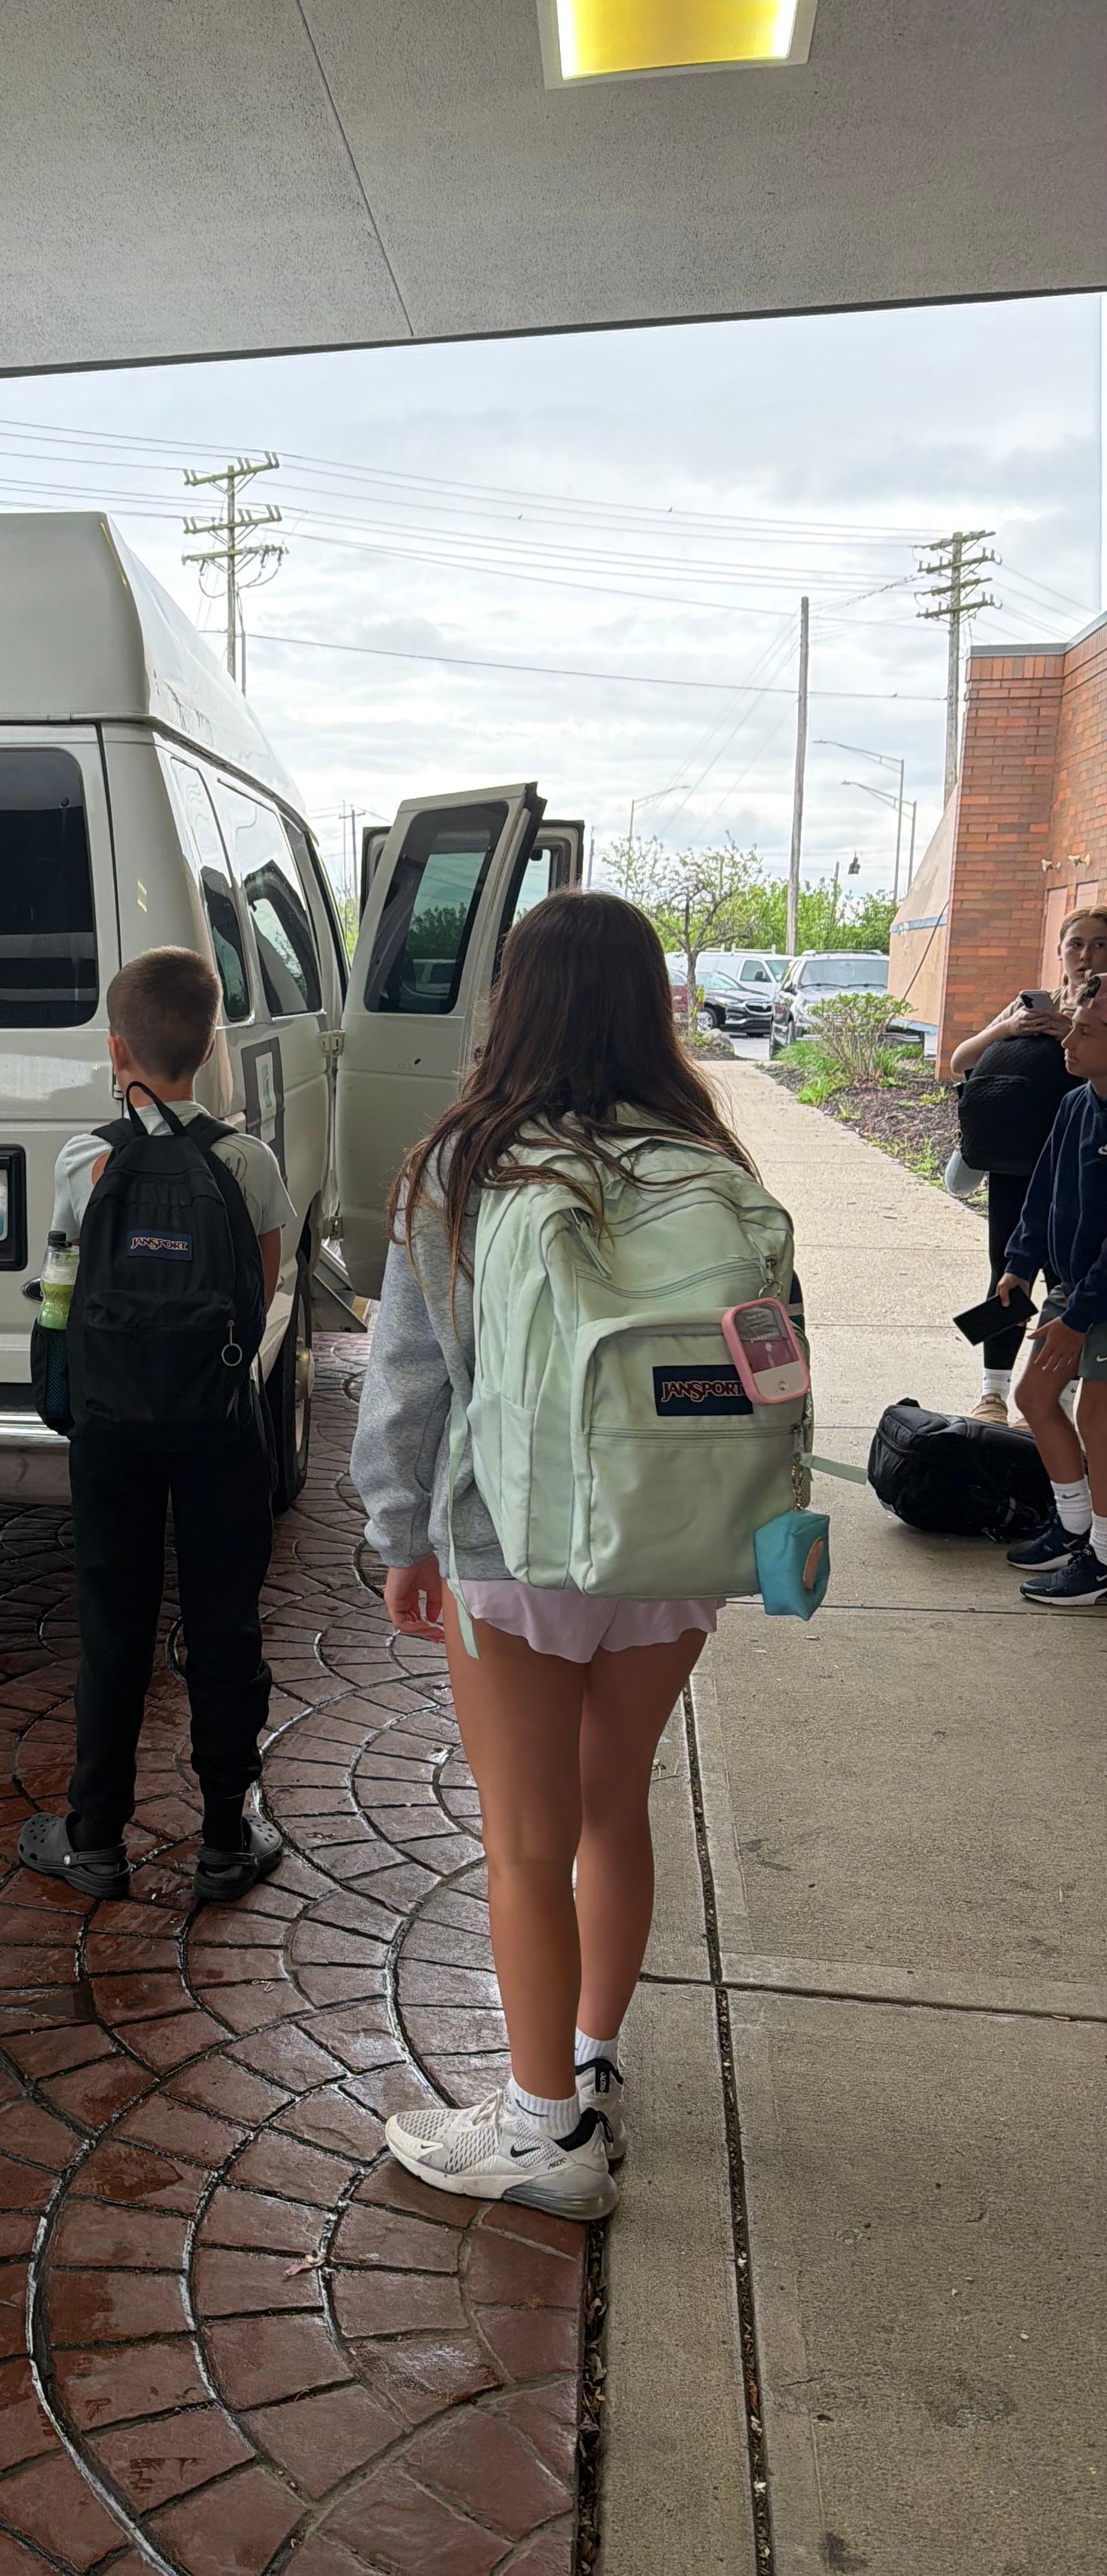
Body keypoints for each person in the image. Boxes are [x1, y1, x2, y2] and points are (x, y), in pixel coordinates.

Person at [350, 891, 761, 2220]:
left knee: (522, 1839)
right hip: (674, 1532)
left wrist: (392, 1533)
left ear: (508, 1001)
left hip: (510, 1542)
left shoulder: (461, 1165)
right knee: (611, 1806)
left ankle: (540, 2132)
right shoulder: (709, 1160)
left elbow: (407, 1381)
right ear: (649, 1005)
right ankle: (583, 2058)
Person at [17, 946, 296, 1904]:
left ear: (116, 1048)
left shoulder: (83, 1161)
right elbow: (257, 1299)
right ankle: (227, 1834)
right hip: (219, 1425)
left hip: (111, 1428)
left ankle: (95, 1837)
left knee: (112, 1623)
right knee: (225, 1626)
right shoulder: (247, 1162)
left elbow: (61, 1291)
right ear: (211, 1044)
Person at [946, 906, 1106, 1421]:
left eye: (1100, 944)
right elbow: (959, 1061)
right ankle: (992, 1390)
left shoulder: (1097, 1011)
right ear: (1059, 951)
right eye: (1076, 944)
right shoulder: (1028, 1002)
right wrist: (1010, 1028)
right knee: (1008, 1270)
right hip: (1018, 1160)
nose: (1086, 955)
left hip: (1082, 1165)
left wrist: (1071, 1029)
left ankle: (1056, 1396)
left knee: (1071, 1276)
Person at [999, 981, 1107, 1605]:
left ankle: (1103, 1560)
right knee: (1035, 1395)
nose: (1069, 1040)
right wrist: (1021, 1261)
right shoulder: (1076, 1105)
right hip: (1073, 1290)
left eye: (1087, 1033)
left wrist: (1081, 1315)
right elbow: (1043, 1192)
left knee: (1099, 1419)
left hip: (1102, 1299)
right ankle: (1074, 1528)